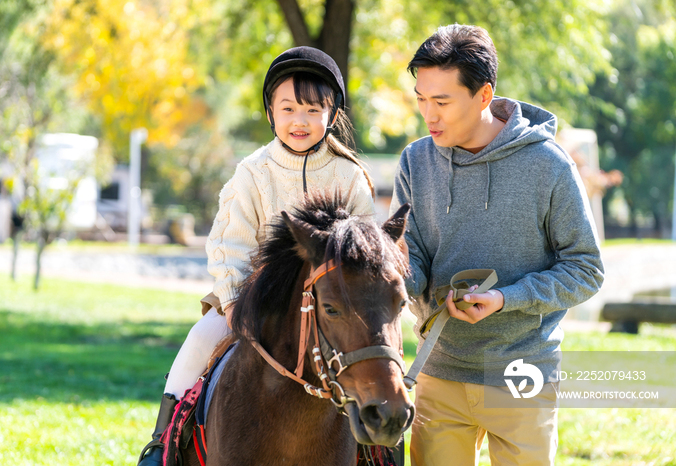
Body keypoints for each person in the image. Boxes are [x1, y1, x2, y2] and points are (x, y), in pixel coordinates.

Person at [137, 46, 376, 465]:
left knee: (377, 363)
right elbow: (229, 246)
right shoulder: (253, 172)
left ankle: (381, 450)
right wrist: (232, 303)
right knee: (198, 342)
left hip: (329, 309)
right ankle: (162, 443)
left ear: (333, 113)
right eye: (287, 109)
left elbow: (366, 251)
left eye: (312, 109)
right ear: (270, 112)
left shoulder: (350, 175)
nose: (299, 121)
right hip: (254, 304)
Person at [389, 24, 604, 465]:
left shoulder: (548, 166)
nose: (429, 115)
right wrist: (389, 279)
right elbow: (411, 258)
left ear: (484, 95)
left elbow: (586, 269)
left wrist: (506, 298)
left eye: (442, 102)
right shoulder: (415, 160)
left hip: (520, 371)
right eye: (421, 99)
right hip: (439, 369)